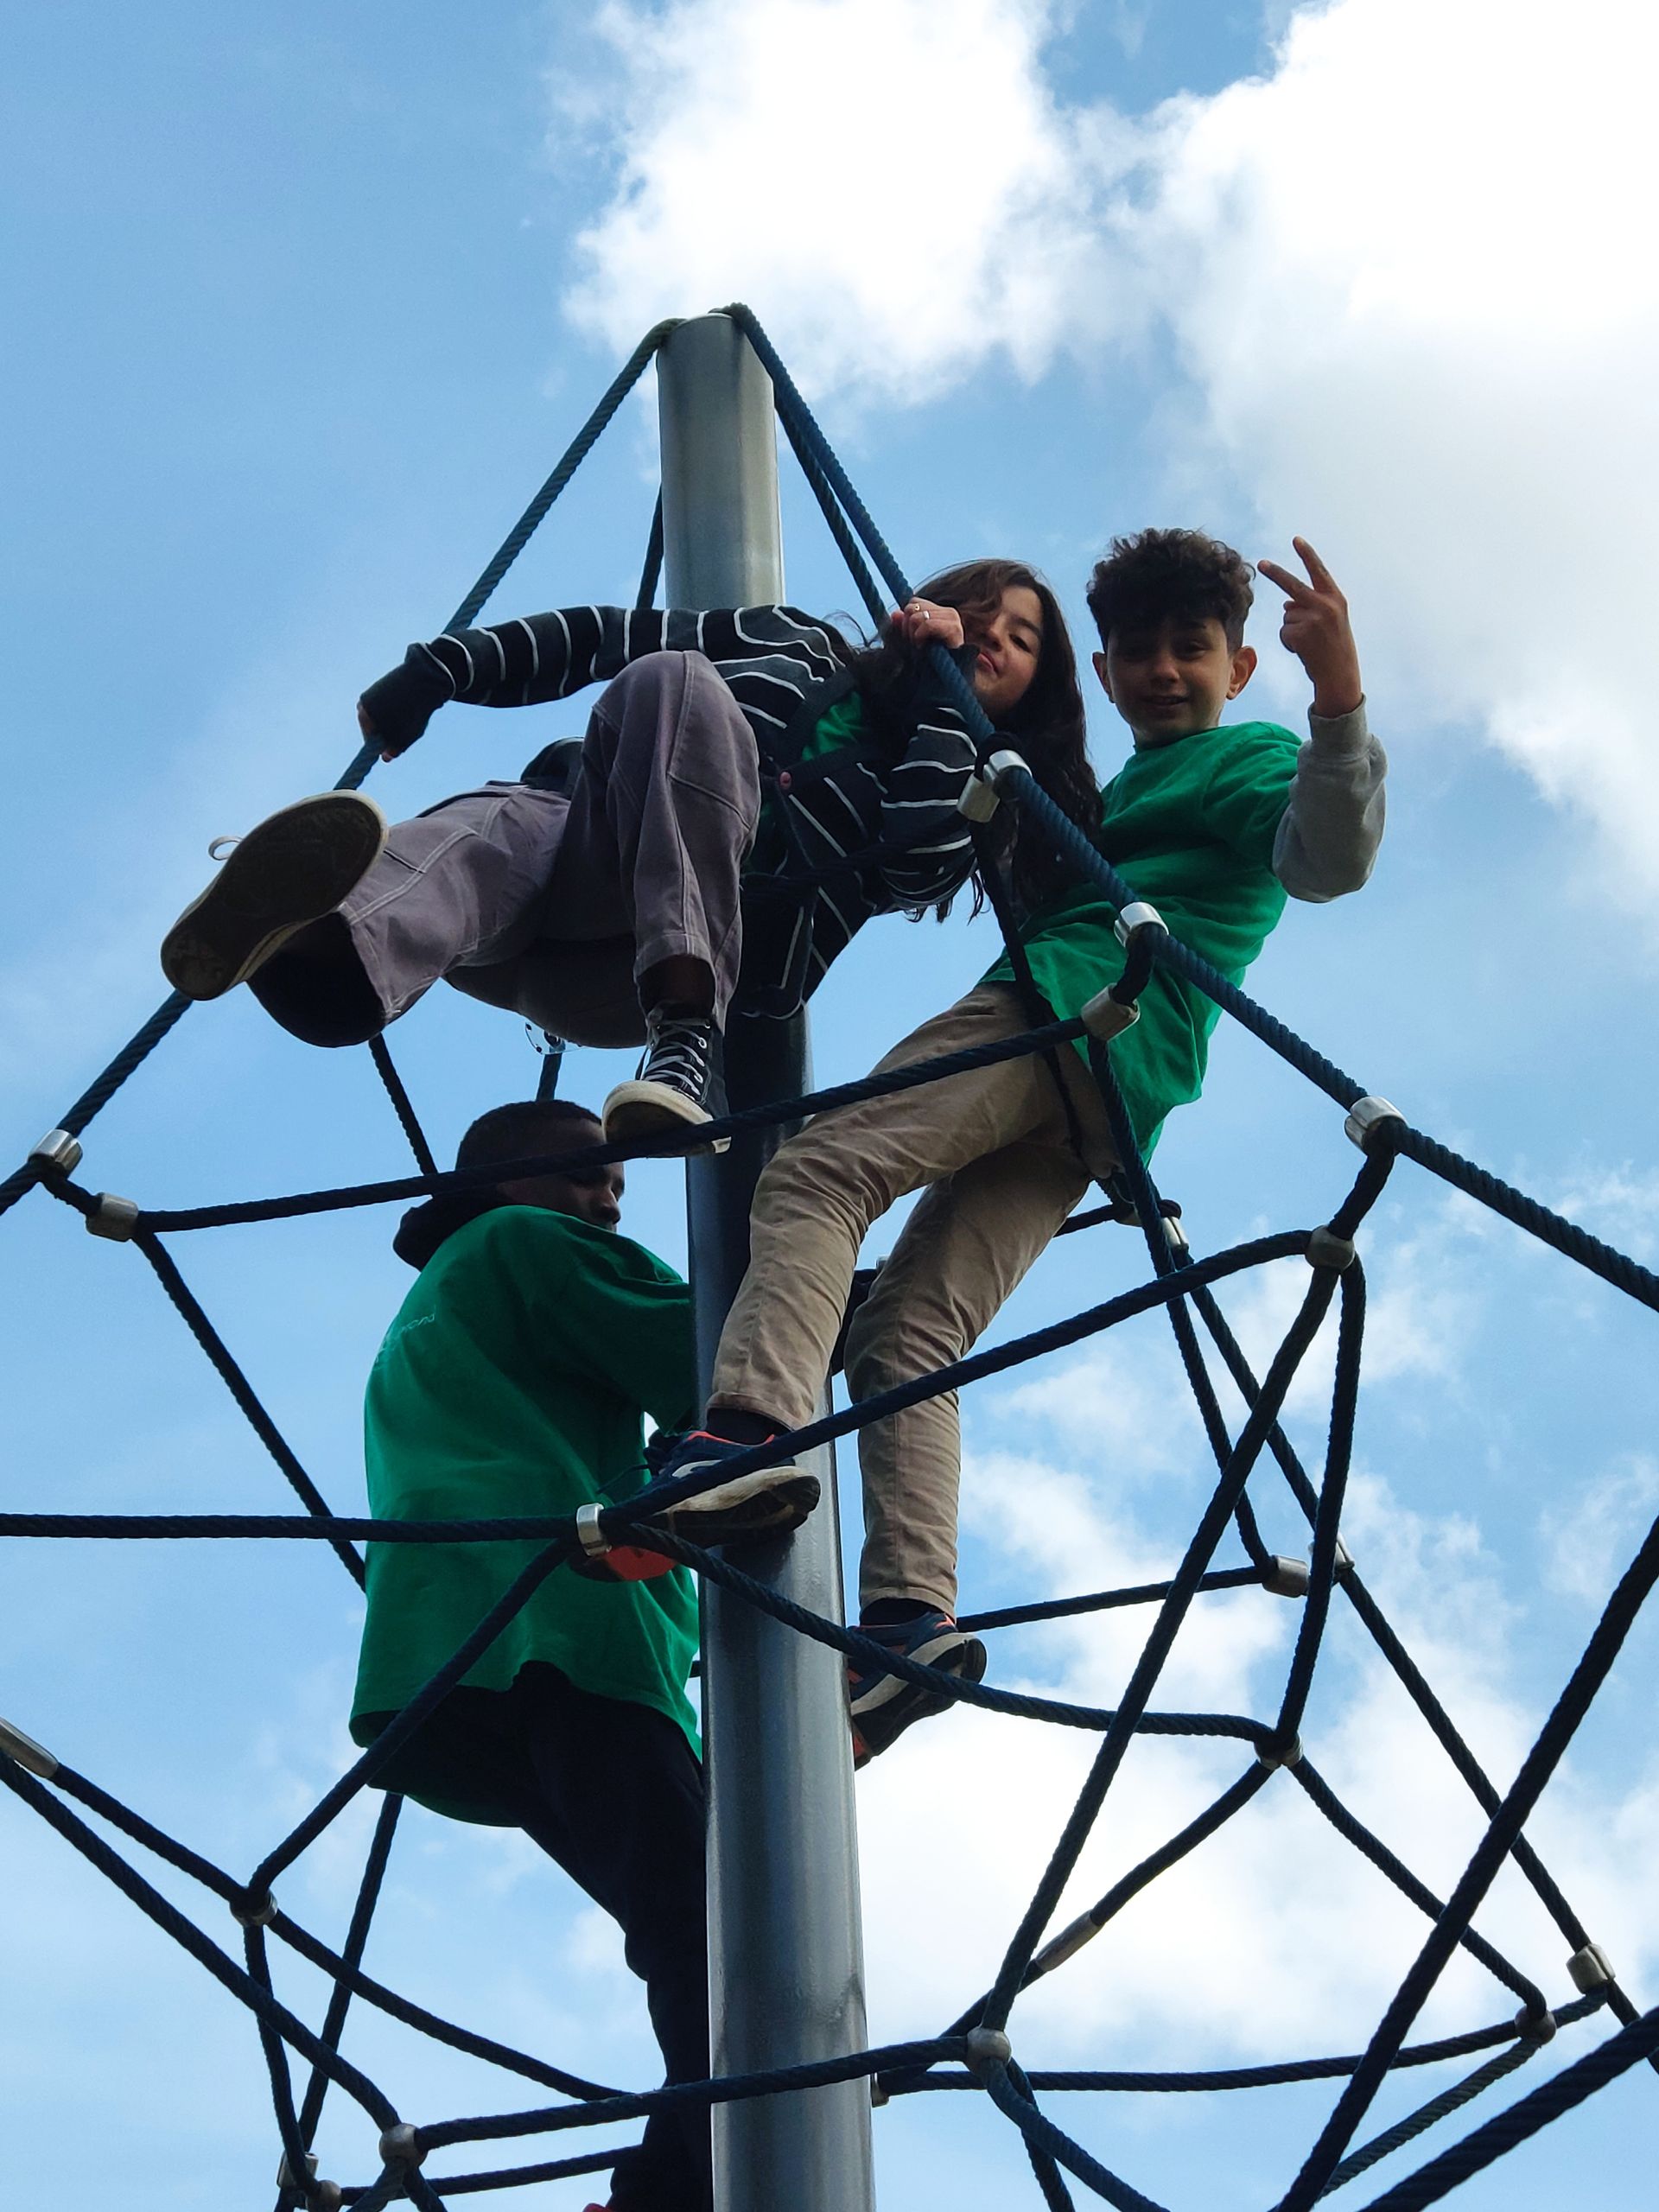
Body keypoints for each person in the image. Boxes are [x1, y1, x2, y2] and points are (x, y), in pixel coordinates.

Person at [659, 530, 1389, 1763]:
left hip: (1064, 1006)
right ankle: (910, 1620)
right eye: (1141, 653)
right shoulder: (1107, 796)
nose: (1166, 672)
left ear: (1240, 667)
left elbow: (1326, 855)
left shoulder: (1247, 757)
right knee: (908, 1335)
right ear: (1104, 675)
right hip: (1116, 1101)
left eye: (1193, 650)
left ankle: (748, 1435)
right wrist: (940, 671)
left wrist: (1340, 696)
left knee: (822, 1170)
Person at [159, 564, 1099, 1146]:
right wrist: (443, 670)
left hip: (653, 972)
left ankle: (684, 1030)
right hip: (555, 875)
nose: (991, 635)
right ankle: (322, 951)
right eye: (976, 611)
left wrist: (947, 698)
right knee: (540, 791)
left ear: (1034, 690)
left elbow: (910, 860)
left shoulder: (972, 781)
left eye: (1018, 640)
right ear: (924, 605)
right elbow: (608, 638)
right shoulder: (796, 639)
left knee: (655, 717)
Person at [348, 1095, 788, 2212]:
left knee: (695, 1927)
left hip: (463, 1654)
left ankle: (677, 2180)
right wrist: (832, 1291)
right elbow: (717, 1357)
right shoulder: (525, 1243)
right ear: (508, 1183)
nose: (608, 1200)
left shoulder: (442, 1300)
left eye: (620, 1183)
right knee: (734, 1938)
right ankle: (666, 2195)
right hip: (559, 1631)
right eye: (590, 1174)